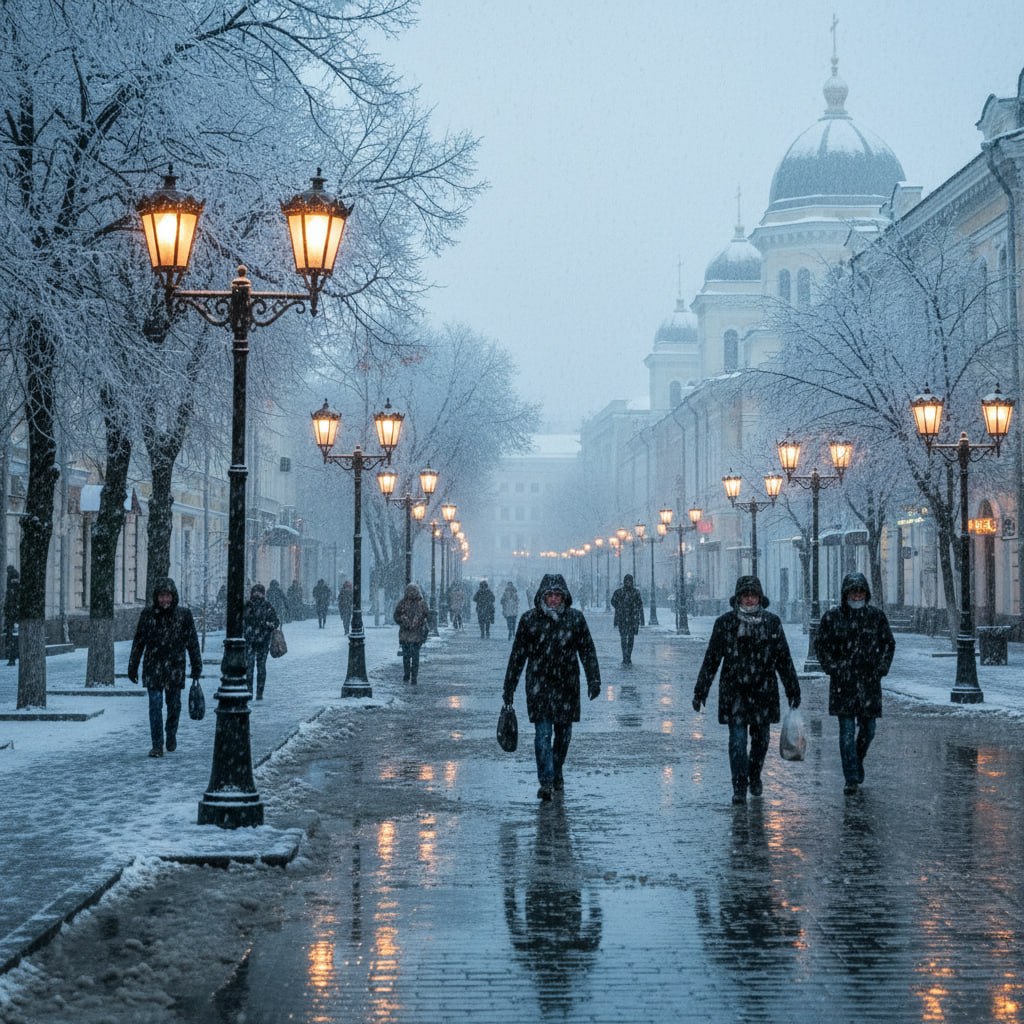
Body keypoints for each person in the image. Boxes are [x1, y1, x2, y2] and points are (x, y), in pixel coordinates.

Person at [692, 575, 801, 805]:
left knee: (761, 742)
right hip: (735, 693)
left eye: (753, 595)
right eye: (745, 595)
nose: (750, 600)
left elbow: (783, 659)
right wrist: (701, 690)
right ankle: (739, 786)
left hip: (763, 692)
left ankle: (755, 775)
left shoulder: (772, 623)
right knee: (738, 742)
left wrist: (793, 689)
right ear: (738, 598)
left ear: (760, 597)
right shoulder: (725, 624)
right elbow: (712, 659)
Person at [502, 573, 602, 801]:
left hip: (567, 687)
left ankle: (557, 770)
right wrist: (509, 687)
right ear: (542, 597)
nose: (554, 600)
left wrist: (594, 679)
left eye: (558, 595)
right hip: (539, 687)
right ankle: (546, 780)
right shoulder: (529, 620)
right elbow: (517, 656)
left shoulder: (575, 619)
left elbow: (587, 650)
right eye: (550, 595)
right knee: (542, 735)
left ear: (564, 597)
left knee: (564, 737)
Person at [815, 571, 896, 796]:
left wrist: (881, 668)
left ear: (866, 594)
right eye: (853, 592)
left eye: (860, 592)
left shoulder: (876, 617)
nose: (857, 596)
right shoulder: (833, 618)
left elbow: (888, 643)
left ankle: (857, 760)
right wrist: (832, 667)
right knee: (846, 732)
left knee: (868, 730)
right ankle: (850, 777)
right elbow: (820, 645)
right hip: (844, 685)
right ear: (846, 594)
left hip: (869, 683)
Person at [127, 577, 202, 758]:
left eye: (167, 596)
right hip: (153, 666)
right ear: (156, 597)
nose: (164, 600)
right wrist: (133, 666)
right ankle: (157, 745)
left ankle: (171, 733)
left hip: (175, 667)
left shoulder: (183, 615)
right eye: (161, 596)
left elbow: (192, 642)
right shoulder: (148, 615)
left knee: (174, 705)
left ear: (173, 596)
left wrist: (196, 665)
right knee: (155, 704)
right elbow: (139, 641)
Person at [243, 583, 281, 700]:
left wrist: (268, 625)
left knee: (260, 667)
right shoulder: (248, 605)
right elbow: (243, 620)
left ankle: (259, 693)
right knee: (249, 667)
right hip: (251, 640)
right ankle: (249, 691)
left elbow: (275, 621)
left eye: (259, 592)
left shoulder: (267, 606)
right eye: (255, 592)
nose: (257, 594)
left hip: (262, 641)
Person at [393, 583, 430, 684]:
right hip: (410, 635)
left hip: (413, 635)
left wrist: (420, 621)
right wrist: (403, 620)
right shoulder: (406, 603)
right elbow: (396, 616)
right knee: (410, 657)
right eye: (410, 591)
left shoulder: (412, 603)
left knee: (411, 657)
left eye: (413, 591)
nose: (412, 593)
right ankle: (410, 676)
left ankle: (411, 676)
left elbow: (427, 616)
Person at [610, 573, 645, 666]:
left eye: (630, 581)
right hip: (622, 618)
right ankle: (625, 656)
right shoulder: (619, 592)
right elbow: (613, 601)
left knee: (631, 638)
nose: (628, 583)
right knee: (623, 637)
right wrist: (620, 607)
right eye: (627, 581)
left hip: (632, 619)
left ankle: (628, 656)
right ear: (625, 581)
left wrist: (634, 609)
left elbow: (640, 604)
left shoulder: (635, 592)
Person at [3, 566, 19, 666]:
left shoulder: (13, 590)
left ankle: (12, 658)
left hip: (13, 618)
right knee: (12, 637)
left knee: (12, 638)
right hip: (13, 618)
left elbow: (10, 604)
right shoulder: (13, 589)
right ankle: (12, 657)